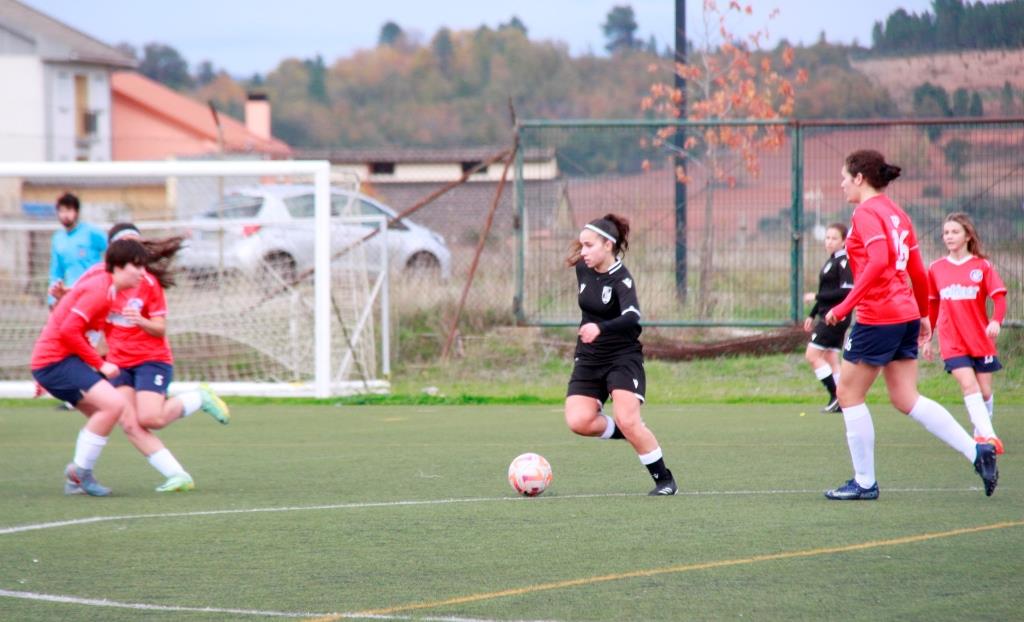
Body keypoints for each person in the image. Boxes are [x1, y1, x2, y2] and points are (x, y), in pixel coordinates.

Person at [823, 150, 998, 500]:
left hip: (878, 316)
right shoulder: (898, 214)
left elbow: (879, 261)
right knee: (906, 397)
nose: (841, 183)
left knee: (848, 394)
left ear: (859, 178)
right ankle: (976, 450)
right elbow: (917, 270)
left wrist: (844, 306)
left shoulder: (866, 213)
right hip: (903, 315)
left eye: (844, 177)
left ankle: (864, 483)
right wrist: (921, 315)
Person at [55, 223, 231, 493]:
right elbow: (80, 301)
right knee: (129, 422)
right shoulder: (99, 279)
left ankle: (199, 397)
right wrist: (62, 297)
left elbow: (160, 328)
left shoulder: (147, 283)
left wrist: (141, 320)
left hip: (151, 360)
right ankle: (178, 475)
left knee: (151, 418)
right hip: (119, 363)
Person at [563, 214, 677, 496]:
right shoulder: (583, 268)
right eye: (582, 245)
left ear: (608, 245)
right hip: (589, 357)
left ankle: (665, 480)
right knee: (579, 421)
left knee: (628, 419)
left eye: (589, 245)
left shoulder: (621, 279)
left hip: (622, 358)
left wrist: (600, 328)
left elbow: (632, 316)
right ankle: (630, 432)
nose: (583, 251)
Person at [30, 239, 147, 496]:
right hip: (56, 362)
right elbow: (68, 330)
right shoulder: (100, 289)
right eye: (137, 266)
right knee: (114, 405)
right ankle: (80, 474)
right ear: (118, 266)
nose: (142, 272)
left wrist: (66, 295)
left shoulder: (106, 284)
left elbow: (72, 312)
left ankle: (77, 478)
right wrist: (100, 364)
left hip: (55, 362)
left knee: (104, 412)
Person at [924, 213, 1007, 455]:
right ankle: (990, 437)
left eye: (955, 232)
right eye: (946, 232)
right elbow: (932, 305)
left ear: (968, 236)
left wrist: (996, 321)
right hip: (952, 340)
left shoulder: (982, 266)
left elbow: (999, 298)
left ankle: (981, 431)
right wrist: (928, 337)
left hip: (980, 339)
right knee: (969, 386)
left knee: (985, 392)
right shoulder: (936, 268)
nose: (949, 236)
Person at [803, 223, 854, 413]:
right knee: (831, 358)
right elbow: (827, 292)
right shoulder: (831, 261)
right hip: (827, 315)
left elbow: (846, 291)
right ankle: (842, 399)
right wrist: (812, 313)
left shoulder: (844, 262)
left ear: (844, 241)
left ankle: (836, 396)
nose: (829, 242)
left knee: (812, 355)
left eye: (834, 238)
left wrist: (816, 297)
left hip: (835, 317)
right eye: (827, 238)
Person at [47, 193, 107, 308]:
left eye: (69, 210)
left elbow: (113, 250)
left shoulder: (91, 232)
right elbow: (56, 271)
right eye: (62, 211)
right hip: (71, 293)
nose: (65, 215)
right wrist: (52, 299)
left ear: (77, 212)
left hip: (94, 292)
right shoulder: (58, 238)